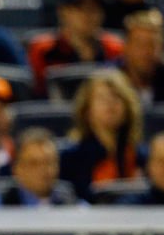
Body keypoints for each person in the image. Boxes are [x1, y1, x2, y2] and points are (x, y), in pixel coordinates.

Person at [58, 69, 143, 201]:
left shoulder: (141, 156)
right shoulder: (70, 158)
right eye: (101, 97)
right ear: (87, 110)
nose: (110, 103)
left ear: (127, 106)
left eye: (116, 96)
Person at [27, 0, 124, 98]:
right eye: (80, 8)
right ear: (63, 11)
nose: (88, 15)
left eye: (94, 8)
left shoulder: (116, 48)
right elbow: (37, 93)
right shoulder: (44, 50)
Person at [0, 128, 79, 206]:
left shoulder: (71, 202)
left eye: (49, 162)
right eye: (34, 163)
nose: (43, 170)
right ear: (17, 169)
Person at [115, 9, 164, 105]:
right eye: (140, 44)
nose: (146, 51)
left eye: (153, 44)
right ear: (126, 46)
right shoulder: (109, 82)